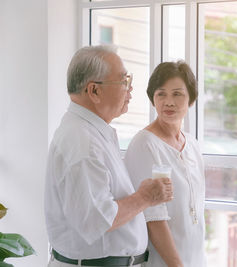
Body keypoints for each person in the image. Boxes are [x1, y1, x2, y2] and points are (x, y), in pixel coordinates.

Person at [44, 45, 173, 267]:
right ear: (94, 91)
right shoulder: (83, 143)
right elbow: (97, 219)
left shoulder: (92, 134)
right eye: (124, 81)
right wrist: (145, 197)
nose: (130, 90)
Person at [124, 61, 206, 267]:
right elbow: (153, 218)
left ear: (191, 100)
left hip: (195, 259)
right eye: (161, 94)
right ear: (153, 99)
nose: (168, 102)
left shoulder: (192, 145)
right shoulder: (144, 144)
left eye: (177, 94)